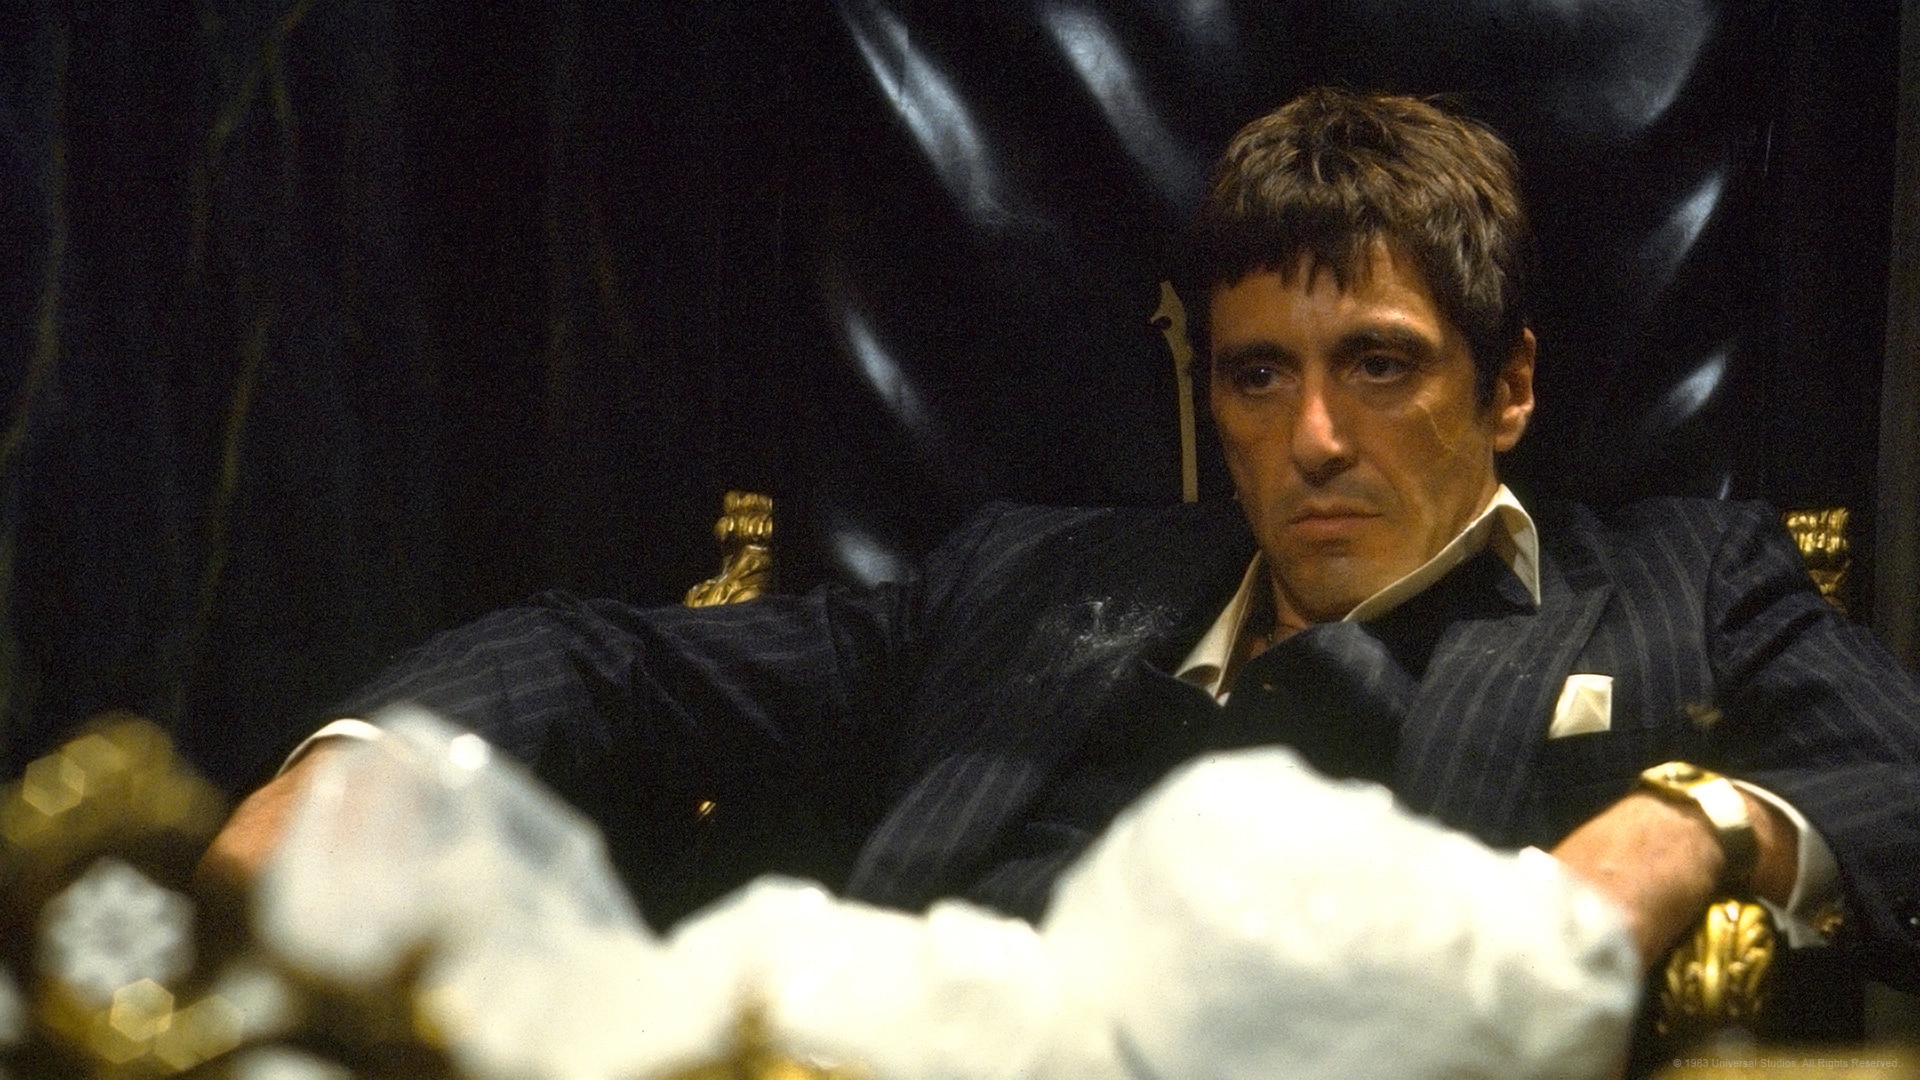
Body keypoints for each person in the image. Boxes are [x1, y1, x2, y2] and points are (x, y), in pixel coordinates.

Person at [207, 88, 1920, 1005]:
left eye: (1381, 365)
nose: (1315, 439)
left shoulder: (1684, 581)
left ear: (1511, 385)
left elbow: (1901, 777)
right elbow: (611, 660)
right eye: (1260, 376)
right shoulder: (1030, 579)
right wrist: (358, 767)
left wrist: (1689, 825)